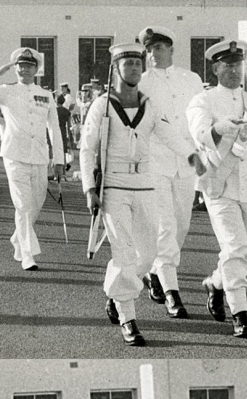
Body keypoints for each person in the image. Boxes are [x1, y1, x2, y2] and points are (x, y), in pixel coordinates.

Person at [80, 42, 197, 347]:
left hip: (145, 184)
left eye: (137, 63)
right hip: (114, 186)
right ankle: (128, 318)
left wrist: (195, 158)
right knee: (124, 252)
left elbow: (171, 137)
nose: (134, 68)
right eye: (127, 63)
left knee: (147, 255)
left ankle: (117, 294)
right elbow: (87, 148)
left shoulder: (149, 104)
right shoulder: (101, 105)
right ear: (115, 68)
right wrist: (90, 188)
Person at [187, 39, 247, 339]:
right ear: (215, 68)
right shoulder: (203, 101)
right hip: (219, 185)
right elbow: (198, 135)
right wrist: (218, 128)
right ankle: (241, 315)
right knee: (235, 248)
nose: (234, 71)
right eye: (228, 66)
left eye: (238, 65)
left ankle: (216, 283)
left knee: (246, 253)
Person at [0, 48, 64, 270]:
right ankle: (28, 255)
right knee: (23, 205)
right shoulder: (6, 91)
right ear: (15, 68)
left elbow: (55, 128)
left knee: (36, 203)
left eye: (29, 65)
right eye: (20, 65)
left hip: (39, 155)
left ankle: (18, 238)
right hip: (15, 155)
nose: (24, 69)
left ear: (36, 69)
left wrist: (58, 159)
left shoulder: (46, 94)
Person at [138, 26, 203, 319]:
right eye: (149, 50)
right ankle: (171, 291)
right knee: (165, 226)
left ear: (172, 50)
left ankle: (155, 270)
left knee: (182, 225)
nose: (153, 54)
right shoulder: (140, 83)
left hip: (187, 163)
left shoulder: (191, 79)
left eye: (159, 48)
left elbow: (199, 119)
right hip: (156, 163)